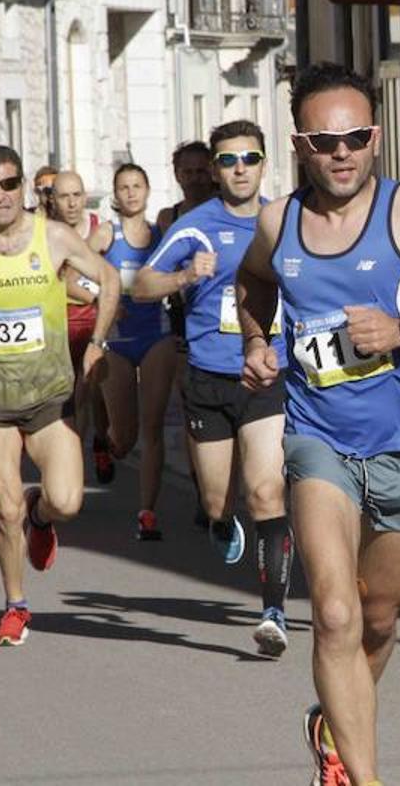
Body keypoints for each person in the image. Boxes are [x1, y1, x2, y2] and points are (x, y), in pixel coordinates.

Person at [237, 63, 400, 785]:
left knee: (378, 615)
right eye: (326, 141)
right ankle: (363, 776)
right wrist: (257, 343)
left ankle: (333, 721)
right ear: (300, 145)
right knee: (331, 613)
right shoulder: (278, 222)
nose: (342, 152)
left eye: (356, 137)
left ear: (376, 138)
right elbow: (254, 282)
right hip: (318, 440)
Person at [0, 145, 119, 646]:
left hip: (49, 398)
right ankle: (15, 606)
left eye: (9, 184)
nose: (0, 195)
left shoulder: (54, 237)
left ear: (23, 187)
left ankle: (43, 516)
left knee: (65, 501)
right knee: (5, 507)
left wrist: (97, 345)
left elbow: (109, 277)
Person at [134, 120, 293, 656]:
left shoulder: (284, 222)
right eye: (228, 161)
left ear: (264, 163)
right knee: (217, 500)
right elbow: (140, 285)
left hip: (266, 374)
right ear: (217, 169)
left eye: (249, 158)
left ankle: (273, 612)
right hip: (207, 376)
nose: (239, 169)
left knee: (266, 491)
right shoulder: (196, 226)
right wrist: (185, 278)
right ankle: (222, 522)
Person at [87, 164, 179, 540]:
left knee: (153, 426)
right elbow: (71, 272)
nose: (130, 193)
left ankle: (147, 513)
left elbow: (179, 270)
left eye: (136, 186)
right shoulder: (107, 234)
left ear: (147, 189)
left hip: (156, 335)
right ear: (115, 193)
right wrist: (102, 298)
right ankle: (104, 442)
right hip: (119, 341)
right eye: (123, 187)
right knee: (125, 439)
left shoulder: (162, 234)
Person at [158, 140, 218, 527]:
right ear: (177, 176)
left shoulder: (227, 210)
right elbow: (155, 269)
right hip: (185, 316)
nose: (195, 179)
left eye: (201, 171)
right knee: (193, 398)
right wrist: (180, 277)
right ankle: (203, 483)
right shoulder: (170, 218)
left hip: (228, 319)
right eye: (187, 172)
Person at [50, 171, 115, 482]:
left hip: (95, 321)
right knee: (74, 393)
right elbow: (58, 282)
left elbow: (110, 274)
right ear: (53, 199)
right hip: (62, 320)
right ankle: (73, 457)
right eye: (64, 196)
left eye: (77, 195)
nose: (72, 203)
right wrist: (92, 294)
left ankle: (100, 441)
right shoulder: (49, 233)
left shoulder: (100, 228)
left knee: (96, 389)